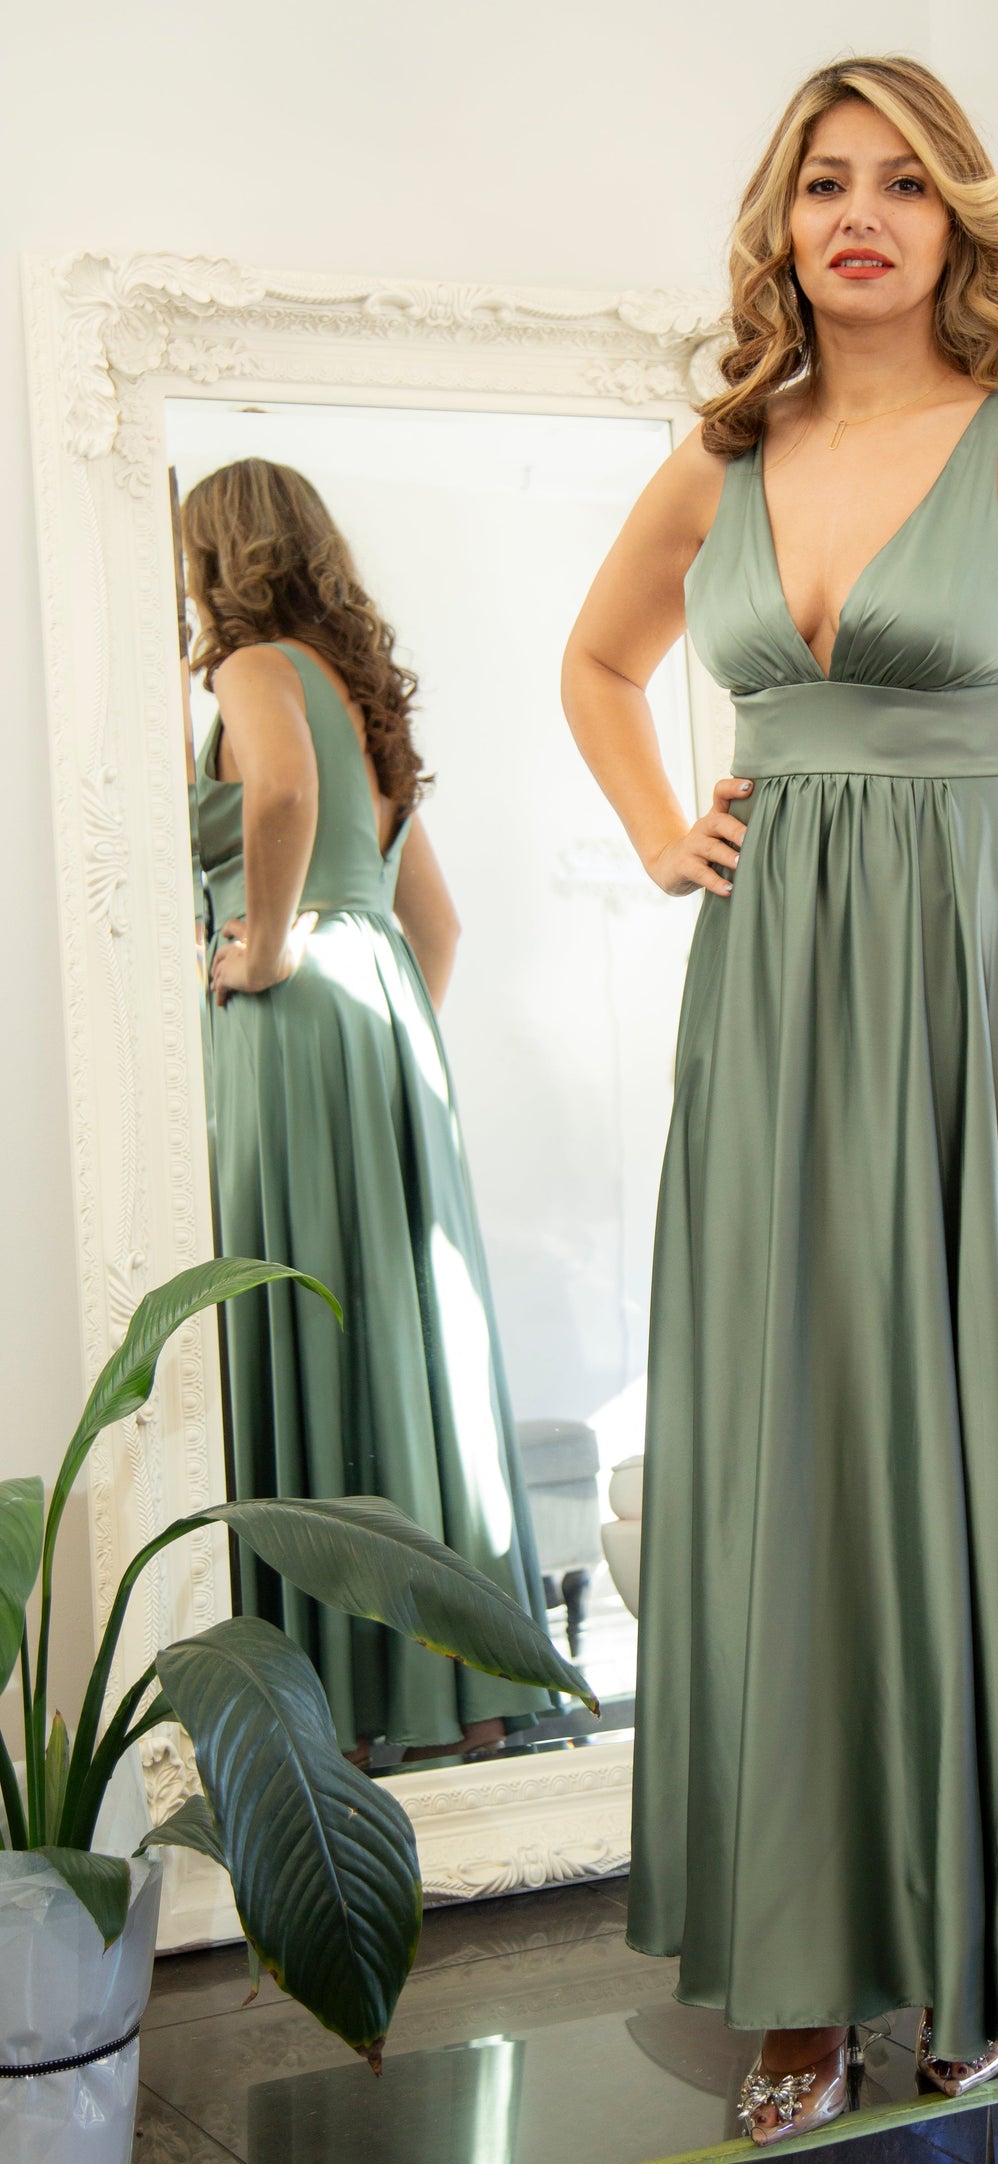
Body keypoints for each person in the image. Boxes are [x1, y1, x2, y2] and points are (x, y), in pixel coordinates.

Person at [561, 52, 998, 2147]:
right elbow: (594, 663)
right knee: (794, 1454)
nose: (862, 214)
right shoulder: (719, 459)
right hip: (770, 1015)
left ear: (957, 225)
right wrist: (665, 823)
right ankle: (800, 1974)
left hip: (984, 997)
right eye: (825, 182)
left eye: (904, 184)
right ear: (781, 224)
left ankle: (996, 1945)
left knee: (978, 1446)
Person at [185, 456, 556, 1767]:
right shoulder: (365, 697)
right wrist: (383, 1046)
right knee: (411, 1348)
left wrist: (270, 951)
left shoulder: (248, 668)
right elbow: (435, 925)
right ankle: (480, 1692)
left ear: (212, 555)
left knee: (306, 1320)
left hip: (296, 1019)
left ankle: (342, 1704)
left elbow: (277, 798)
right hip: (387, 1019)